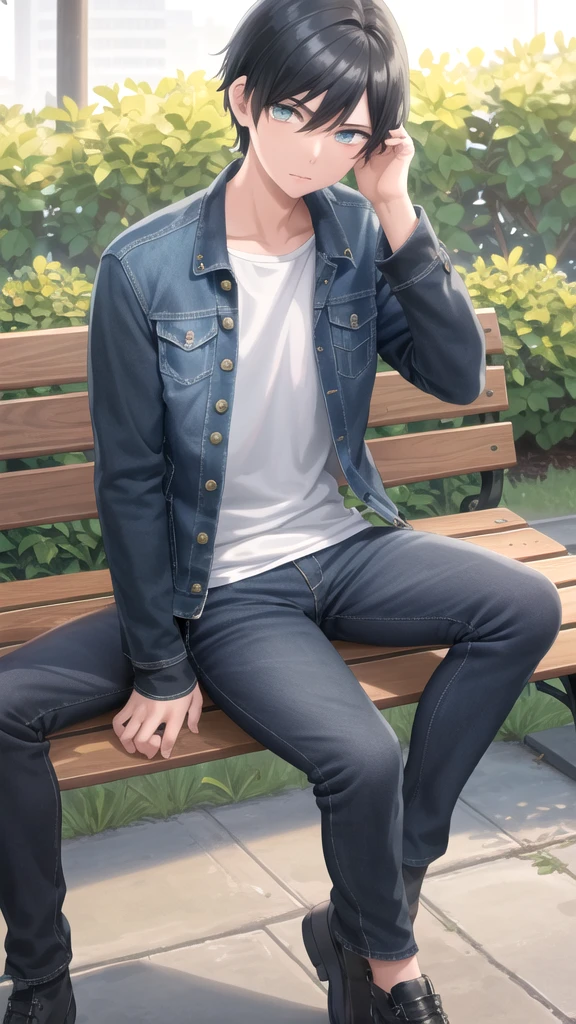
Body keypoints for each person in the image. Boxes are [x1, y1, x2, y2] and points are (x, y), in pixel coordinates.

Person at [0, 1, 563, 1022]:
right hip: (232, 586)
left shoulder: (354, 228)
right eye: (302, 116)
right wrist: (164, 660)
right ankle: (389, 969)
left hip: (345, 542)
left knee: (523, 605)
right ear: (243, 100)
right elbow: (127, 480)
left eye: (349, 131)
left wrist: (396, 207)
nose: (321, 150)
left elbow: (453, 371)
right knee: (359, 756)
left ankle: (370, 911)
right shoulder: (144, 265)